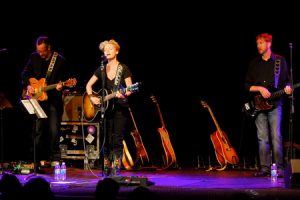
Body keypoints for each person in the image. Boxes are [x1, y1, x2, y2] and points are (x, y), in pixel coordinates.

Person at [245, 33, 293, 177]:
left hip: (276, 104)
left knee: (276, 136)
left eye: (261, 42)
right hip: (259, 106)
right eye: (257, 43)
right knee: (262, 138)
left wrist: (289, 89)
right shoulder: (254, 63)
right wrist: (259, 88)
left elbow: (287, 82)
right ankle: (264, 168)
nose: (258, 45)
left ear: (269, 44)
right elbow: (247, 85)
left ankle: (280, 168)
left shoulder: (280, 61)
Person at [21, 36, 71, 166]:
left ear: (49, 48)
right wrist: (28, 85)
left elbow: (63, 81)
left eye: (42, 51)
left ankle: (55, 157)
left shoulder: (60, 61)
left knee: (54, 130)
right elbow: (25, 73)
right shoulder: (34, 57)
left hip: (53, 99)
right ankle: (36, 158)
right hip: (38, 100)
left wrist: (61, 86)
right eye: (38, 50)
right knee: (38, 130)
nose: (40, 53)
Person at [86, 39, 133, 176]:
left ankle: (116, 168)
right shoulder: (101, 68)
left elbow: (130, 89)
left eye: (110, 49)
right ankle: (106, 167)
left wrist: (123, 93)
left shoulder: (123, 68)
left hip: (120, 108)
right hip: (106, 109)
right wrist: (92, 97)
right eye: (105, 49)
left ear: (117, 51)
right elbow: (89, 85)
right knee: (106, 138)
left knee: (117, 138)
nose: (107, 51)